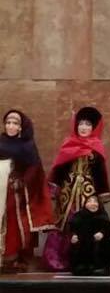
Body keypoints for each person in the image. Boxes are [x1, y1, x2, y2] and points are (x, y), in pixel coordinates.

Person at [44, 106, 110, 271]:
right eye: (81, 124)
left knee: (85, 222)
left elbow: (101, 173)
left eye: (88, 124)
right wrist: (54, 187)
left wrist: (103, 193)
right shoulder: (69, 144)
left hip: (87, 192)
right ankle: (56, 259)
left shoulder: (96, 147)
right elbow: (59, 168)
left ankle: (81, 259)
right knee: (63, 221)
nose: (84, 127)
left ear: (93, 128)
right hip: (67, 191)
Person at [0, 109, 55, 273]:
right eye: (8, 123)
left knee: (13, 222)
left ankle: (12, 256)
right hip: (0, 187)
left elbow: (34, 169)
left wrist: (22, 182)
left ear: (21, 127)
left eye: (15, 123)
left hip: (16, 192)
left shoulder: (27, 145)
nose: (11, 126)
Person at [69, 196, 110, 276]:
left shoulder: (103, 215)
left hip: (97, 244)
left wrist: (102, 233)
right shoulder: (79, 216)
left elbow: (107, 228)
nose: (93, 204)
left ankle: (99, 267)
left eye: (95, 202)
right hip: (83, 244)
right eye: (89, 201)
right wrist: (73, 235)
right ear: (85, 204)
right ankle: (81, 266)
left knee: (102, 244)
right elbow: (72, 228)